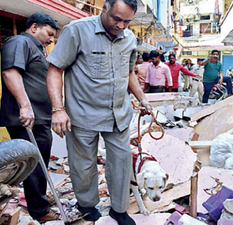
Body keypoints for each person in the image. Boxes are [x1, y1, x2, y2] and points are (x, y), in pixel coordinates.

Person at [46, 0, 152, 224]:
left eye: (127, 21)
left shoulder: (129, 38)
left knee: (122, 163)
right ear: (104, 8)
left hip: (118, 115)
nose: (121, 25)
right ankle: (87, 205)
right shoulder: (76, 31)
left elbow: (129, 73)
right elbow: (55, 69)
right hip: (83, 114)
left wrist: (142, 98)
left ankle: (119, 210)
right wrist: (58, 109)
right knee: (83, 165)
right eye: (116, 18)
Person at [0, 13, 59, 223]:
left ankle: (38, 198)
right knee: (34, 165)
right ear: (34, 27)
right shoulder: (19, 41)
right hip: (27, 118)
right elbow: (10, 72)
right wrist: (25, 106)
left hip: (39, 117)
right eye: (49, 33)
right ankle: (40, 211)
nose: (51, 39)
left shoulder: (36, 47)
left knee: (40, 162)